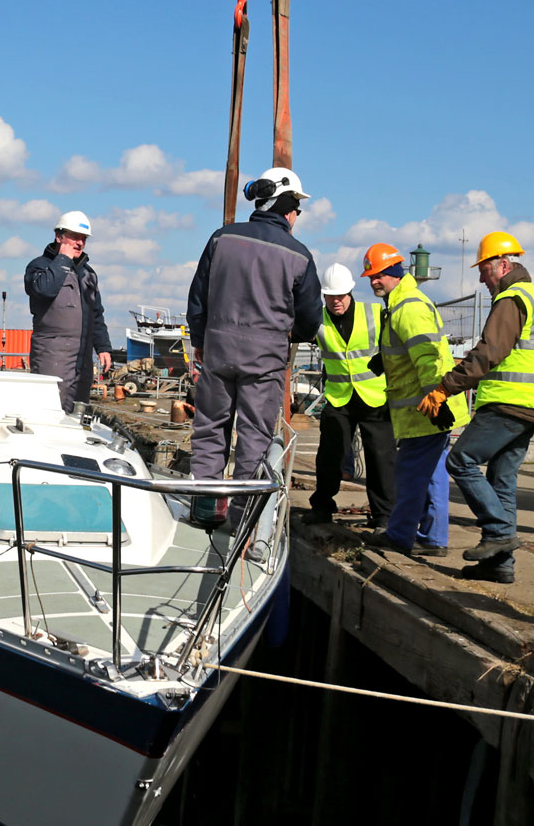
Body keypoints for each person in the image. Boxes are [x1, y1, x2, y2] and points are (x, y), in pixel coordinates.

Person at [420, 231, 534, 584]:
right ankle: (501, 564)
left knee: (460, 460)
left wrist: (445, 388)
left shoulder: (511, 299)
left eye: (485, 269)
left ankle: (497, 532)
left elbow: (488, 354)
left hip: (509, 403)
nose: (481, 277)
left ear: (504, 265)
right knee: (501, 480)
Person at [187, 167, 321, 522]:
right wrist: (289, 334)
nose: (297, 216)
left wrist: (200, 341)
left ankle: (204, 510)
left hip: (217, 350)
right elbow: (310, 319)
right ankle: (241, 522)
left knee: (210, 428)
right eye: (297, 208)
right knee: (255, 437)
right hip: (265, 360)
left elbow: (197, 298)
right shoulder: (299, 255)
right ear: (288, 205)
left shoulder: (221, 239)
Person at [364, 244, 469, 555]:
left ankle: (400, 535)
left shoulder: (407, 307)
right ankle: (433, 538)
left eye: (379, 275)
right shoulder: (402, 303)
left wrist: (435, 398)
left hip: (424, 409)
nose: (373, 282)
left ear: (396, 273)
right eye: (370, 276)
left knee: (411, 475)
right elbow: (416, 351)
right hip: (427, 407)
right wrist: (385, 358)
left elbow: (427, 358)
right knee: (432, 473)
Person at [305, 262, 396, 530]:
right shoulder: (317, 319)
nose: (336, 301)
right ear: (324, 296)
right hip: (339, 398)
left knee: (381, 459)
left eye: (341, 296)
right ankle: (322, 507)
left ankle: (384, 516)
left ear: (351, 292)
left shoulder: (376, 314)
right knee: (330, 456)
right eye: (330, 296)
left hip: (375, 397)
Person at [25, 210, 113, 412]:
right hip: (52, 354)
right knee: (48, 411)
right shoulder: (38, 267)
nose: (79, 243)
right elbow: (43, 290)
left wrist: (103, 347)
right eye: (74, 237)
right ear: (59, 236)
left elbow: (96, 314)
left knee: (77, 414)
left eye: (83, 239)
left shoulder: (88, 275)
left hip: (82, 359)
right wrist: (63, 261)